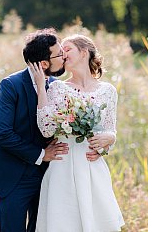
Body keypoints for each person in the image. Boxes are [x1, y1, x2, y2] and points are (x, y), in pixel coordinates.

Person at [0, 29, 102, 232]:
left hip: (49, 176)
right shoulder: (11, 85)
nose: (64, 56)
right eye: (59, 54)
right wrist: (41, 154)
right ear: (44, 64)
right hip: (14, 176)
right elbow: (2, 134)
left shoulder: (57, 86)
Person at [30, 34, 125, 231]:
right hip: (63, 164)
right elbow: (46, 128)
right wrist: (41, 86)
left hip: (92, 165)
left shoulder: (108, 91)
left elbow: (110, 130)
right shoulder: (57, 87)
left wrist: (110, 138)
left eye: (68, 49)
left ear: (84, 53)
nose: (62, 54)